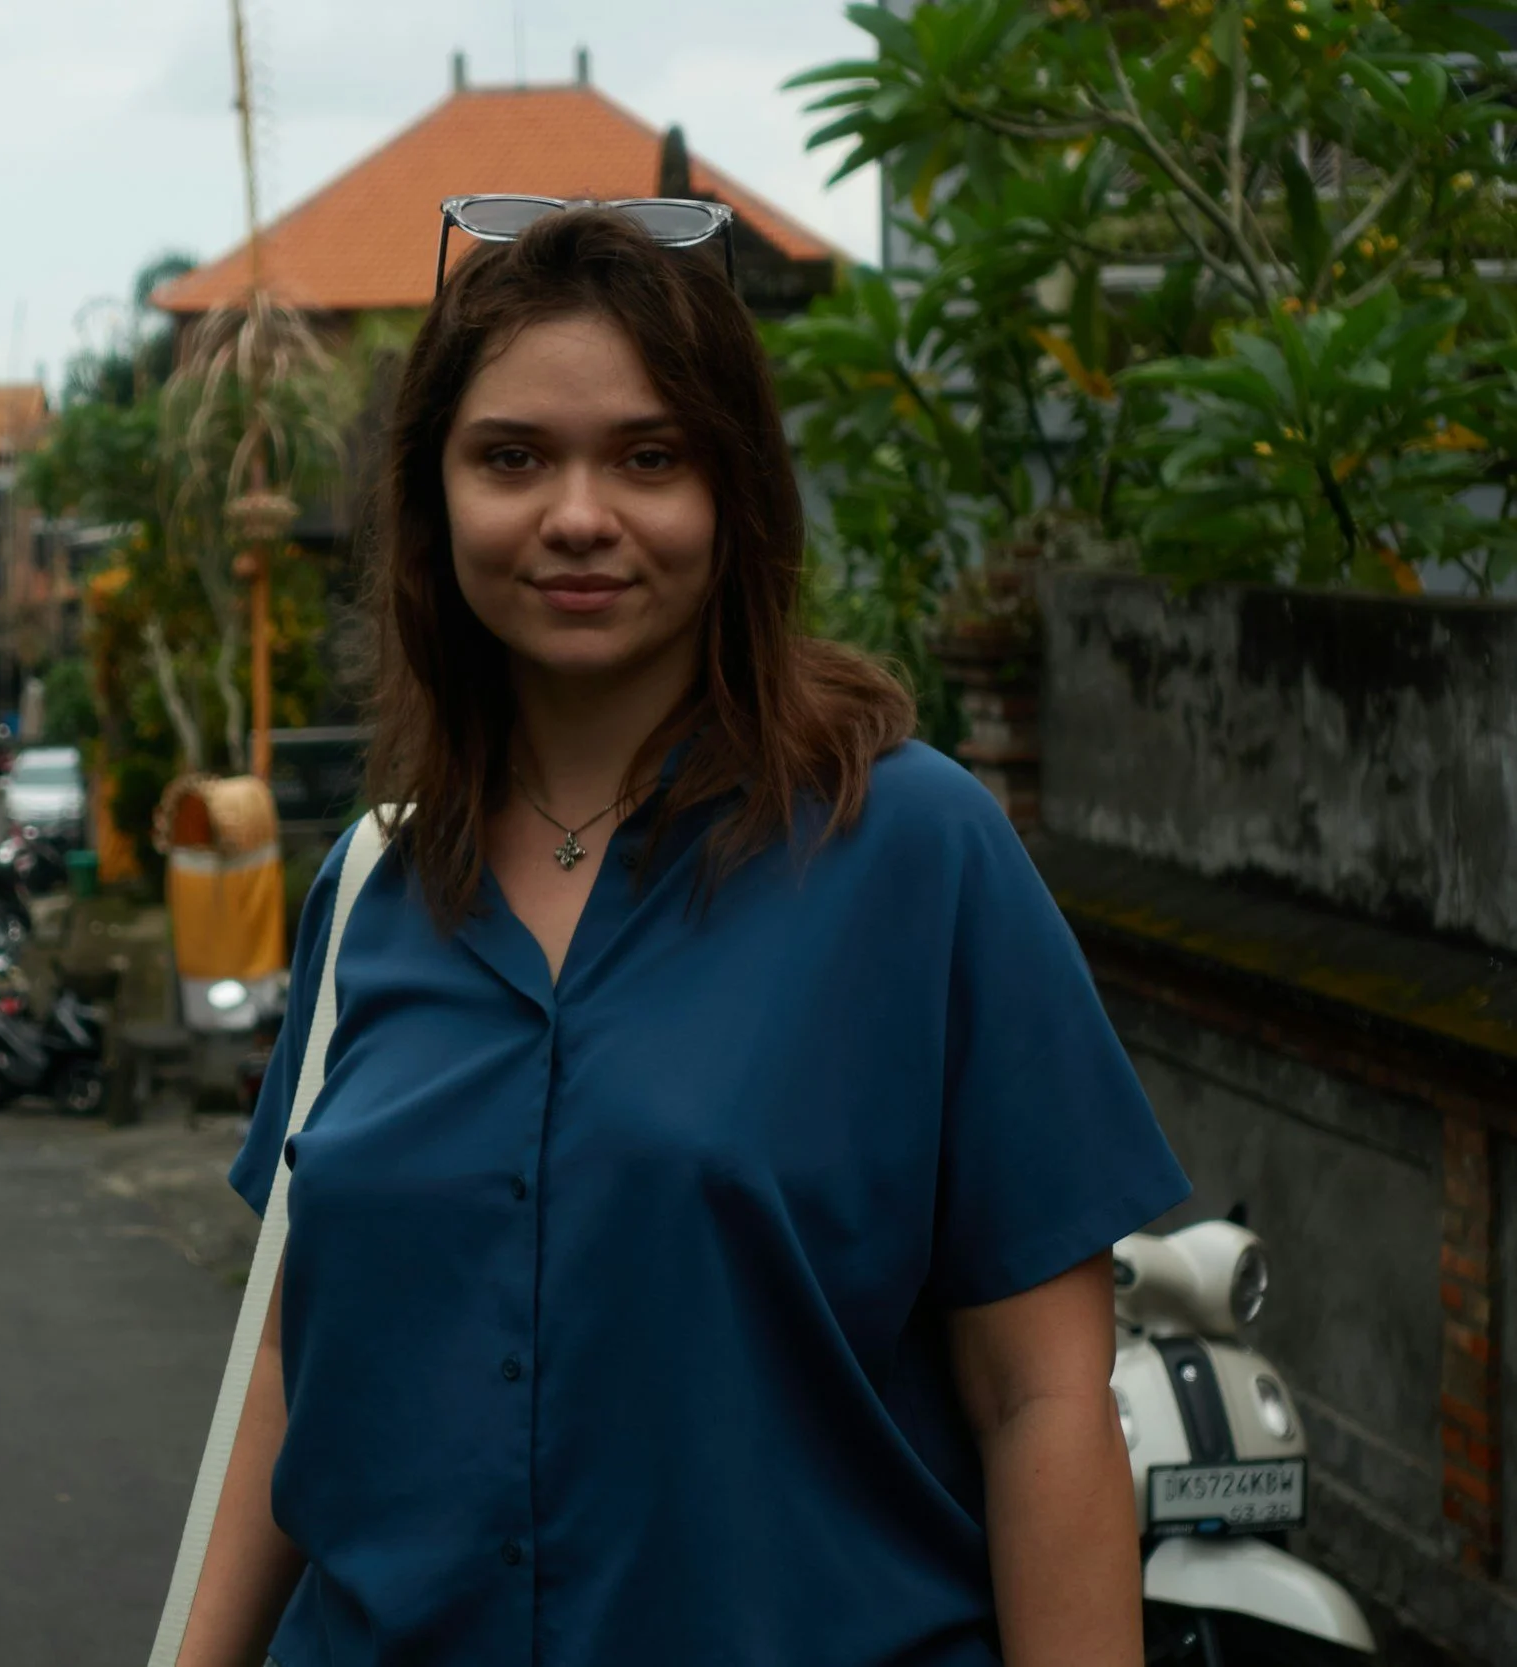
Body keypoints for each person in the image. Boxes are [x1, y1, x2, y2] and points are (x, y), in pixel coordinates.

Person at [180, 207, 1189, 1667]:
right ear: (435, 495)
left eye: (651, 457)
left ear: (737, 494)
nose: (578, 514)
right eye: (512, 455)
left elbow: (1041, 1400)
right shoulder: (371, 885)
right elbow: (297, 1349)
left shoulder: (913, 852)